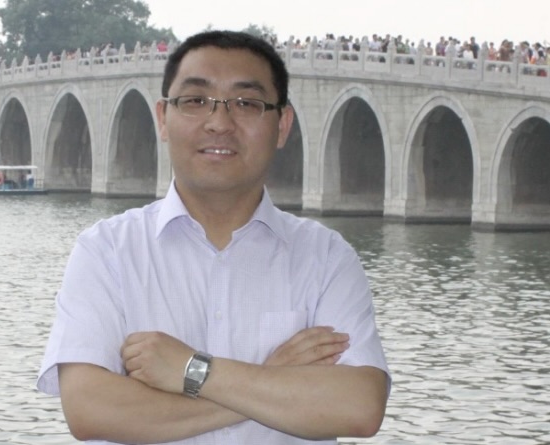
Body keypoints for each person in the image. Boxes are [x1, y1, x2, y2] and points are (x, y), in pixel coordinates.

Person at [37, 30, 390, 444]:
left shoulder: (326, 257)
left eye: (246, 103)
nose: (220, 123)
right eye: (195, 101)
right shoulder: (107, 251)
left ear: (282, 125)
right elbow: (90, 410)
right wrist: (271, 377)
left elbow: (358, 407)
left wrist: (189, 369)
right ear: (162, 118)